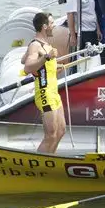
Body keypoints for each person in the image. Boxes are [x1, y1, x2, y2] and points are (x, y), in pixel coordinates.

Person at [21, 13, 66, 154]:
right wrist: (46, 57)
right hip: (44, 93)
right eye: (52, 23)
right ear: (45, 26)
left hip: (54, 92)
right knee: (51, 135)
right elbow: (27, 67)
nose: (54, 26)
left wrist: (52, 68)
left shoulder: (44, 44)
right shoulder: (36, 45)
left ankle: (50, 159)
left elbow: (24, 59)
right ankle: (40, 162)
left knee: (61, 131)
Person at [65, 0, 100, 67]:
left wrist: (98, 28)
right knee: (85, 62)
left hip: (92, 30)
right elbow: (70, 13)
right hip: (83, 32)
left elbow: (92, 10)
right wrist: (73, 35)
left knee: (95, 59)